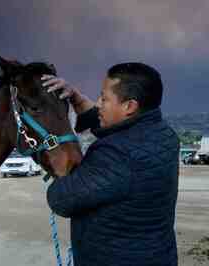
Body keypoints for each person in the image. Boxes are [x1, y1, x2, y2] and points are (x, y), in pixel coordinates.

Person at [41, 63, 179, 266]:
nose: (98, 104)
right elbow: (115, 127)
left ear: (130, 106)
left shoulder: (115, 155)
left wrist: (61, 165)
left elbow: (61, 200)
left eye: (104, 98)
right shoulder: (164, 135)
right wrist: (77, 98)